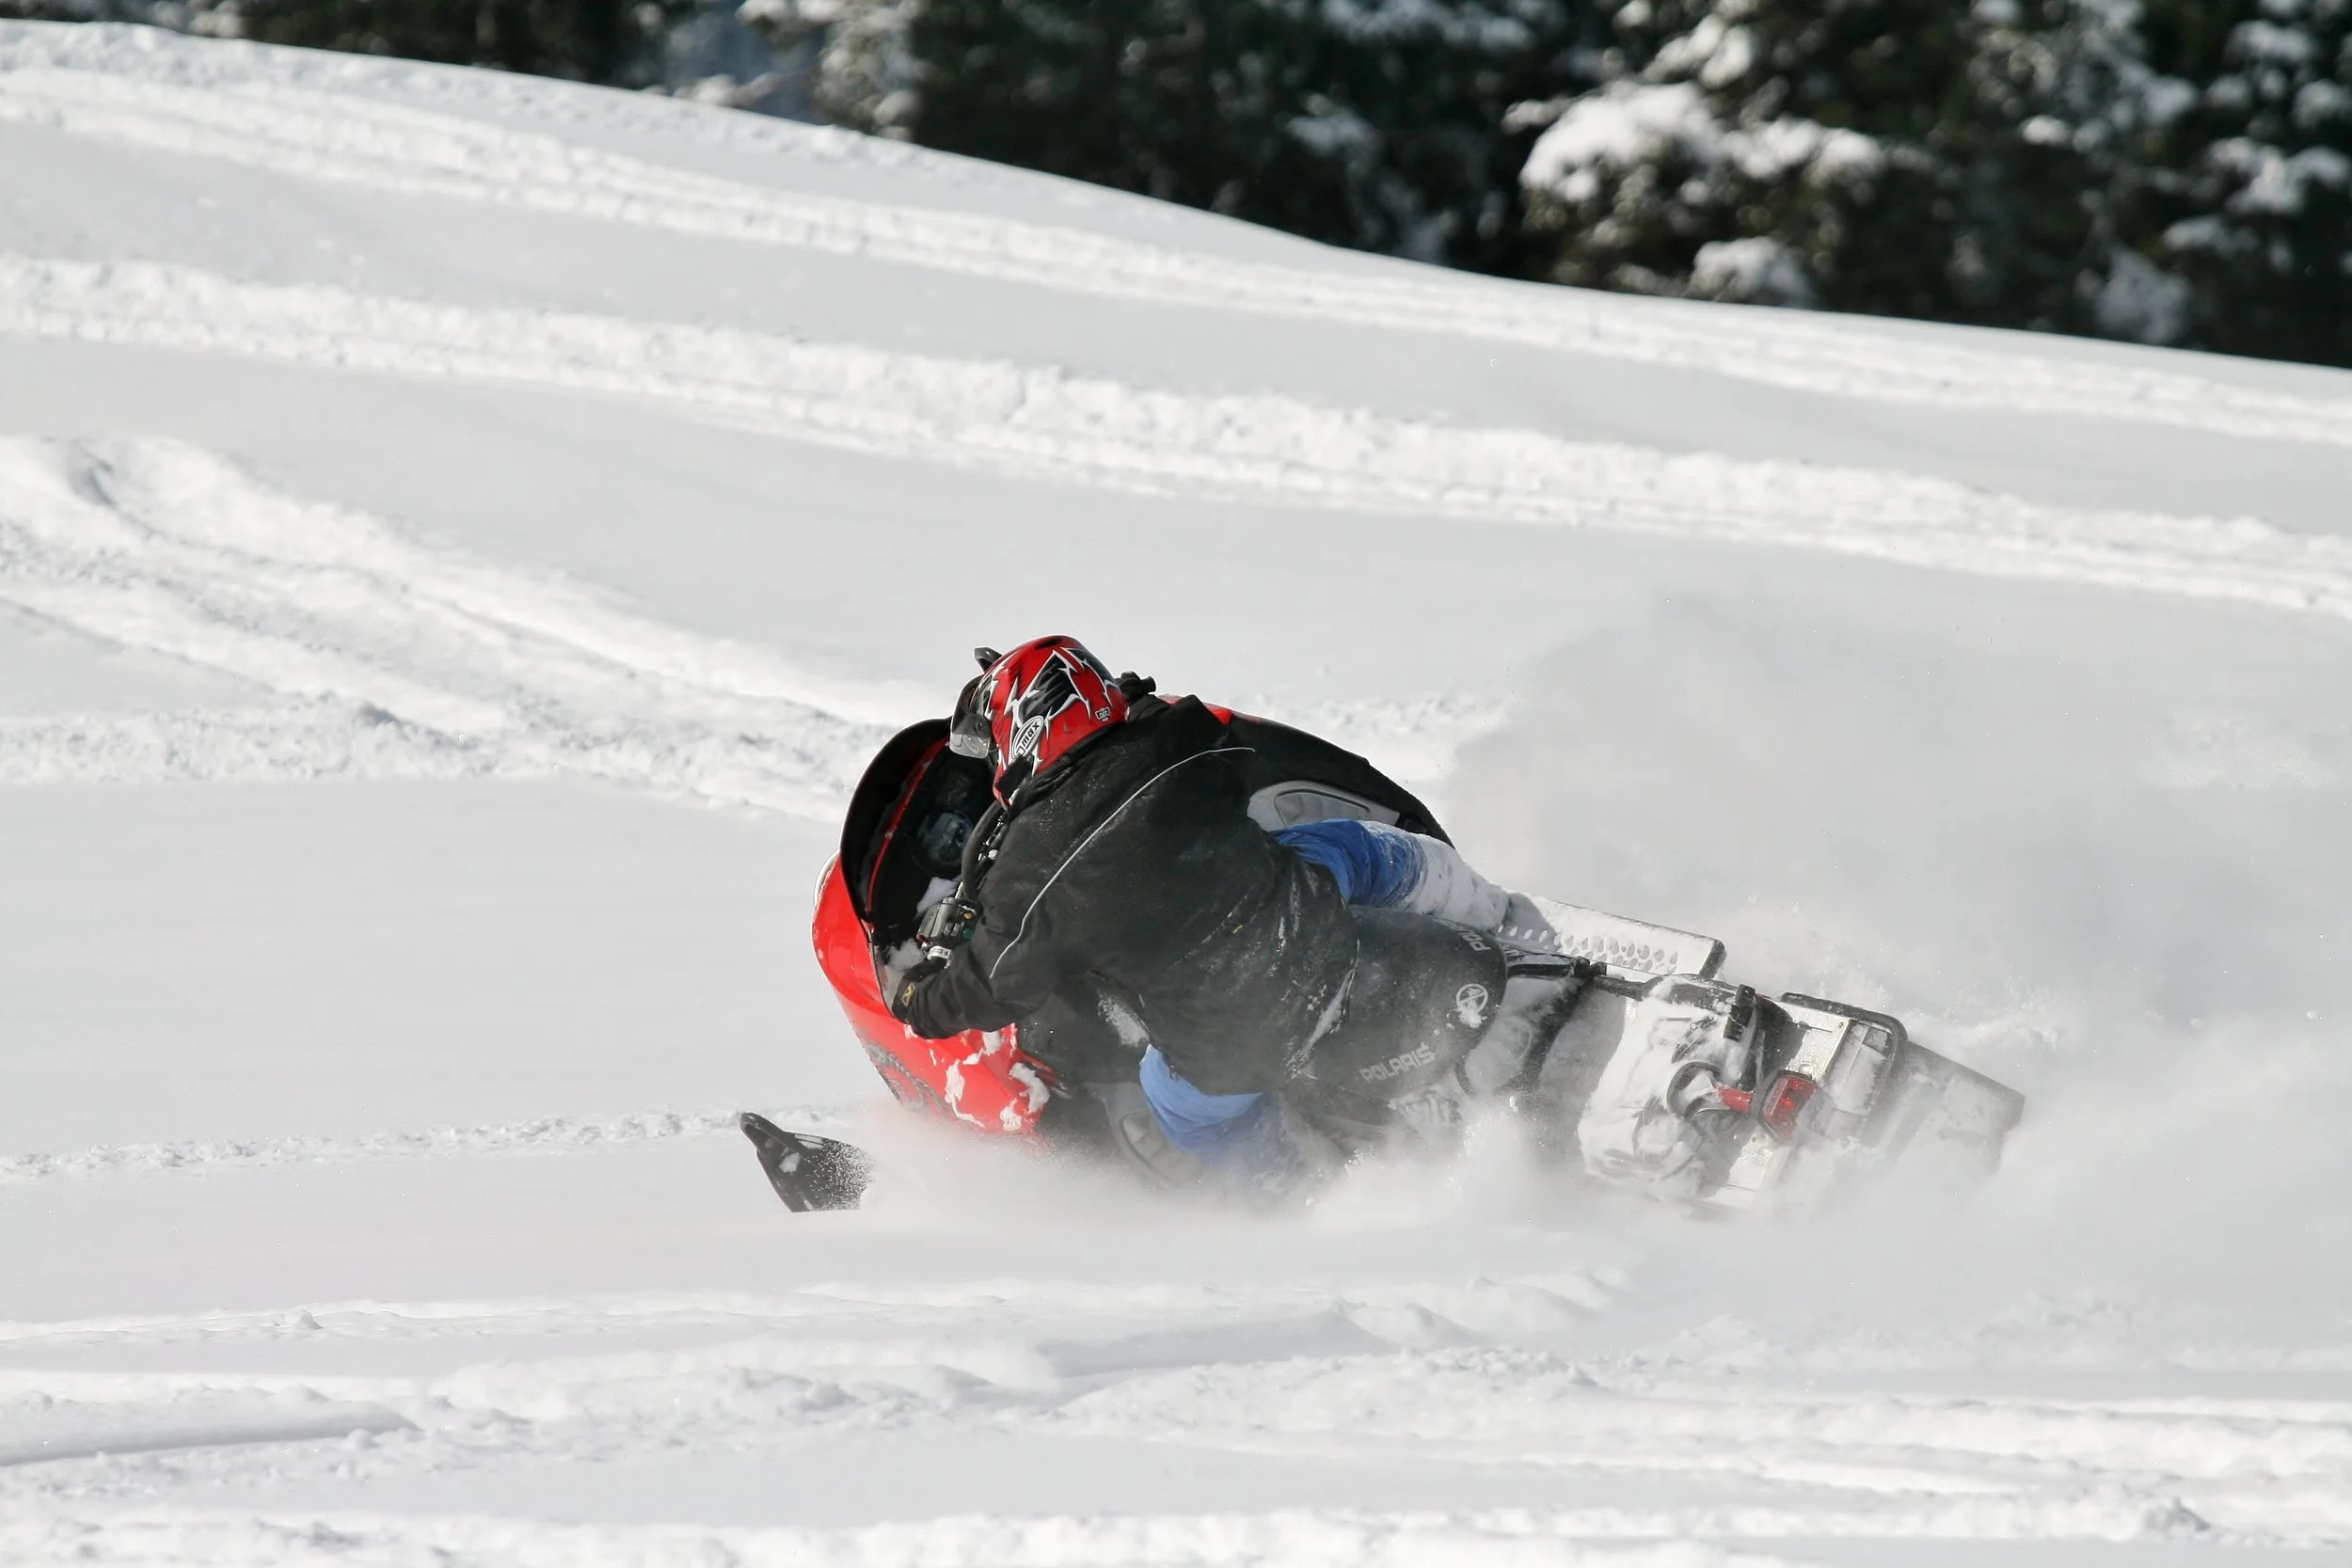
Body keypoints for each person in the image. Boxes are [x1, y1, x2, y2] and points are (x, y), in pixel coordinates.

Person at [884, 636, 1586, 1194]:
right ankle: (1494, 911)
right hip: (1311, 921)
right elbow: (1234, 745)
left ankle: (1297, 1193)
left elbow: (993, 983)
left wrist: (918, 998)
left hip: (1233, 1040)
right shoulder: (1173, 744)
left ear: (1024, 728)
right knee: (1352, 847)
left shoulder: (1035, 872)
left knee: (1179, 1108)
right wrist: (1144, 713)